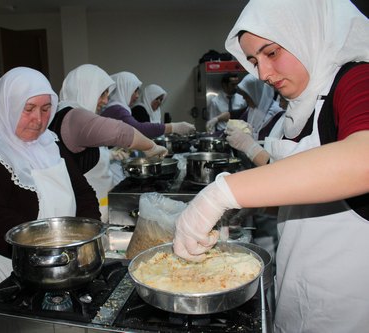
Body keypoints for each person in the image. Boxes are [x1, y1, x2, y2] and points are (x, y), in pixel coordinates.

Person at [173, 1, 369, 332]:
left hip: (350, 304)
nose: (262, 74)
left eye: (272, 53)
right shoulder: (295, 110)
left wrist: (223, 193)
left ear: (307, 33)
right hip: (297, 285)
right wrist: (244, 208)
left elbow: (362, 159)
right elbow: (304, 188)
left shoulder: (357, 79)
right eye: (253, 61)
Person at [0, 67, 101, 333]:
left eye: (45, 108)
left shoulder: (50, 143)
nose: (38, 120)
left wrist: (86, 233)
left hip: (52, 263)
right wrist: (59, 248)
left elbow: (83, 192)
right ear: (8, 105)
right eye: (28, 109)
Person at [49, 64, 168, 222]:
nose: (105, 101)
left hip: (95, 206)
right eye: (102, 94)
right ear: (86, 89)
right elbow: (120, 132)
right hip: (84, 213)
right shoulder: (74, 116)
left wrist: (110, 154)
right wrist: (150, 146)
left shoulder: (67, 114)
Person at [101, 71, 195, 138]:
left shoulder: (117, 108)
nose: (137, 96)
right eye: (135, 91)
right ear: (124, 90)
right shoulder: (117, 109)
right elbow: (139, 129)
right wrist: (173, 127)